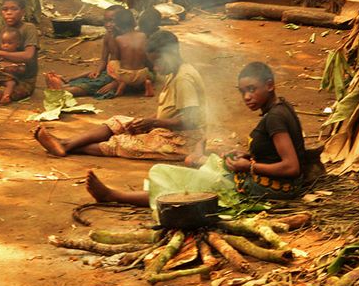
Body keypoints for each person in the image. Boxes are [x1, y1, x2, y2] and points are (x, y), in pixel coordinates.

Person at [83, 62, 314, 208]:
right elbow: (277, 154)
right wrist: (246, 155)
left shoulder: (274, 117)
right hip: (270, 181)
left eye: (252, 90)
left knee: (186, 189)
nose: (246, 97)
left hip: (273, 189)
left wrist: (249, 167)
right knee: (205, 168)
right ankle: (196, 163)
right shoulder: (279, 109)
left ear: (270, 86)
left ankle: (113, 195)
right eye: (243, 92)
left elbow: (291, 167)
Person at [33, 30, 205, 161]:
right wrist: (146, 122)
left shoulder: (184, 79)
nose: (156, 68)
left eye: (157, 62)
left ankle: (67, 146)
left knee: (124, 143)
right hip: (166, 128)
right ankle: (67, 142)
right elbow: (168, 110)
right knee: (117, 122)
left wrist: (154, 123)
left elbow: (192, 121)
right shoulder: (174, 73)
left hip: (182, 141)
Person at [105, 7, 153, 96]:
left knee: (112, 63)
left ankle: (121, 83)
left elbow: (117, 57)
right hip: (142, 74)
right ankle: (146, 83)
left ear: (117, 25)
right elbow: (146, 54)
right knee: (146, 73)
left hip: (126, 76)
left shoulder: (119, 39)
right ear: (134, 22)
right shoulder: (143, 35)